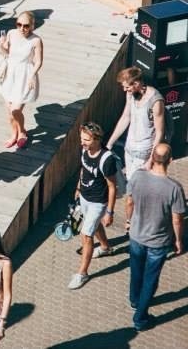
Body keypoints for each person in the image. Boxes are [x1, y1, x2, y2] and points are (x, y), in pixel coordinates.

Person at [126, 143, 185, 331]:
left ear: (152, 157)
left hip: (136, 236)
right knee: (150, 279)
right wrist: (178, 240)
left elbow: (129, 202)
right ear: (170, 160)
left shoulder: (137, 177)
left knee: (136, 271)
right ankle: (140, 318)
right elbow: (177, 219)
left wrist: (128, 221)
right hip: (158, 242)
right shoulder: (174, 188)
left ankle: (134, 300)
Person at [67, 122, 118, 291]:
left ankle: (82, 273)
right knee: (94, 227)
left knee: (86, 235)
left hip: (98, 202)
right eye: (82, 138)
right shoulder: (85, 150)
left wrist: (109, 212)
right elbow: (84, 169)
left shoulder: (106, 159)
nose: (82, 142)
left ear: (97, 139)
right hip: (84, 197)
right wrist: (78, 187)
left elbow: (112, 187)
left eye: (86, 140)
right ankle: (105, 247)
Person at [0, 11, 43, 149]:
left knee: (15, 110)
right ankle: (14, 134)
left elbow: (39, 61)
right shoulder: (11, 33)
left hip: (24, 75)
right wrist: (1, 45)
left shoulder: (36, 40)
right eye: (19, 24)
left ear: (32, 26)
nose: (22, 28)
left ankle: (22, 132)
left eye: (26, 26)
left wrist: (32, 75)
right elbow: (6, 54)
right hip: (10, 74)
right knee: (9, 112)